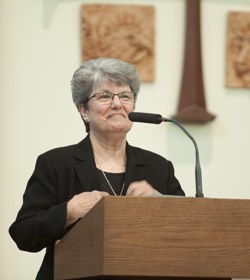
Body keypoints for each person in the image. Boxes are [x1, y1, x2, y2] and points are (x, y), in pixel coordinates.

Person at [9, 57, 185, 279]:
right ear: (83, 110)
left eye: (125, 96)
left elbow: (188, 229)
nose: (117, 104)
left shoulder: (158, 167)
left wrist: (160, 201)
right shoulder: (55, 163)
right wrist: (69, 211)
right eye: (104, 96)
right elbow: (23, 234)